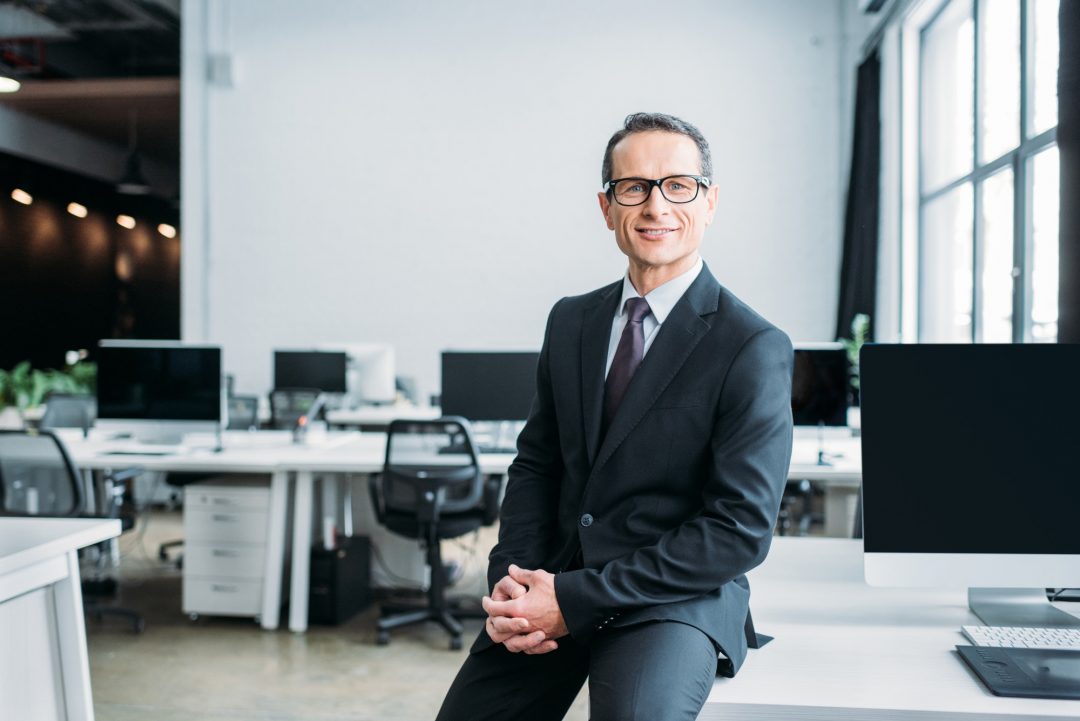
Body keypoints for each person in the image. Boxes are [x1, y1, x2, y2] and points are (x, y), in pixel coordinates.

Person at [436, 112, 794, 721]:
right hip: (553, 578)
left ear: (709, 204)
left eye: (679, 186)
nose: (657, 207)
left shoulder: (750, 344)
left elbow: (738, 528)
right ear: (607, 207)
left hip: (669, 599)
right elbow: (538, 463)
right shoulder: (571, 320)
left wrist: (572, 599)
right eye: (635, 187)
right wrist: (513, 580)